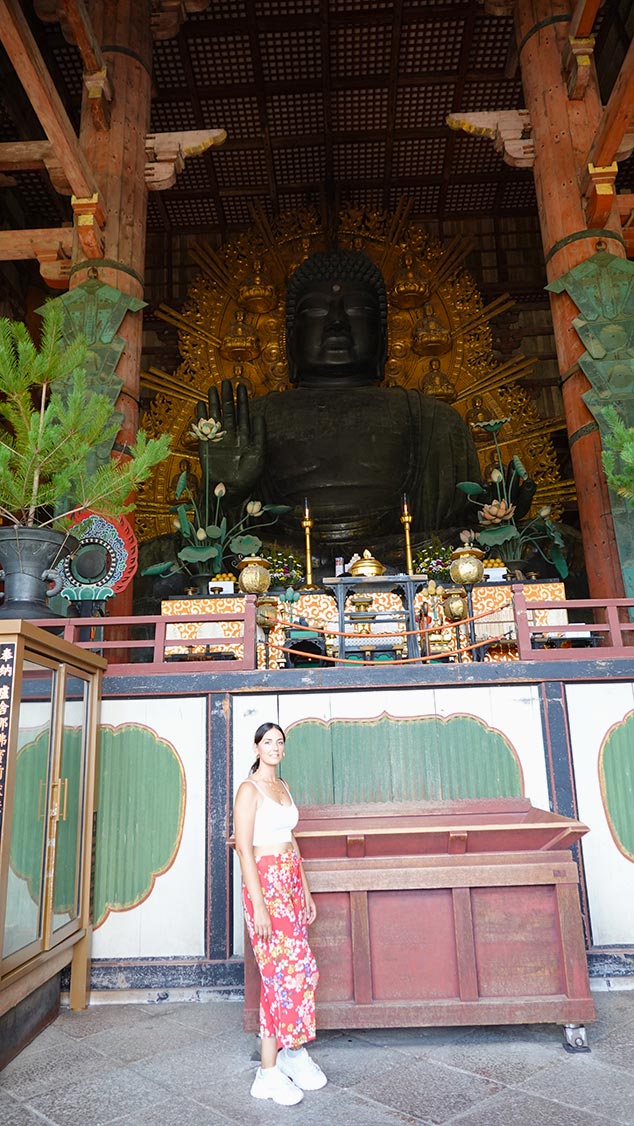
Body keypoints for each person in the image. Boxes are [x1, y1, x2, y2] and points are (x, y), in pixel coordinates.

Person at [198, 249, 481, 545]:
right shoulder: (250, 423)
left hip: (403, 561)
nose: (337, 322)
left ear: (384, 338)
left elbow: (464, 528)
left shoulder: (433, 420)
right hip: (279, 567)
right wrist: (225, 494)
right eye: (316, 311)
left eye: (358, 311)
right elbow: (215, 541)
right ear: (289, 340)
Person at [233, 722, 326, 1106]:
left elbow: (292, 838)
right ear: (256, 749)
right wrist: (260, 908)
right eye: (267, 742)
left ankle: (290, 1052)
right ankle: (269, 1070)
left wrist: (304, 889)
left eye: (279, 742)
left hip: (288, 881)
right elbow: (243, 848)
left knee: (297, 972)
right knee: (283, 974)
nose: (274, 747)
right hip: (266, 885)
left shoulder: (283, 787)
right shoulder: (249, 790)